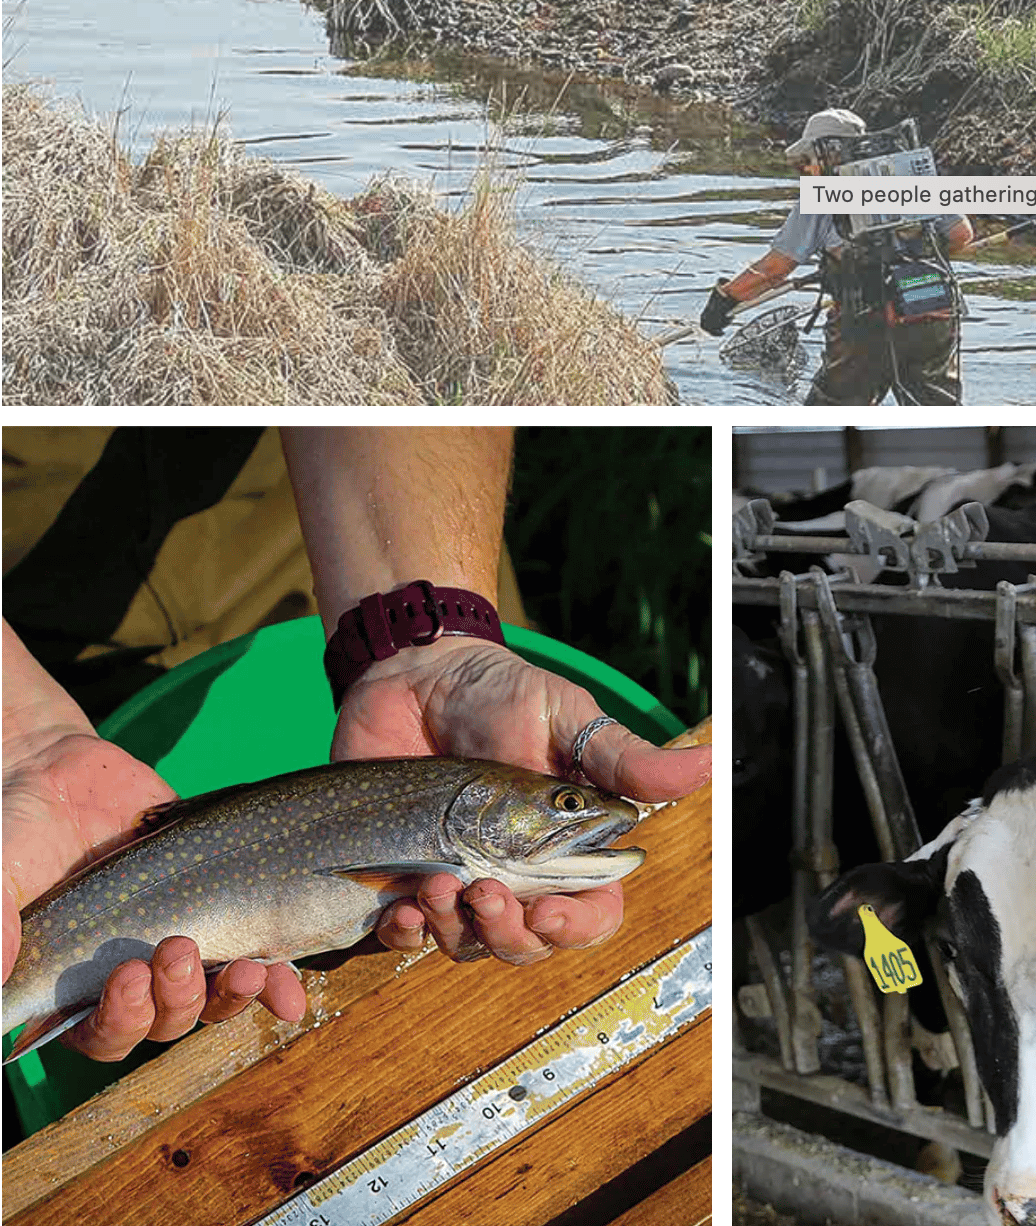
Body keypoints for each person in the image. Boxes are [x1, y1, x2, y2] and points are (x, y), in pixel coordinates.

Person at [1, 428, 711, 1061]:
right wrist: (17, 738)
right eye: (562, 802)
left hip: (333, 519)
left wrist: (419, 635)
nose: (583, 814)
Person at [699, 108, 976, 405]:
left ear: (827, 153)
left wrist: (725, 298)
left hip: (867, 324)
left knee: (828, 414)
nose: (808, 168)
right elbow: (962, 235)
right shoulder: (912, 177)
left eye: (809, 159)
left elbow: (774, 270)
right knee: (937, 417)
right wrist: (906, 267)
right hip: (935, 311)